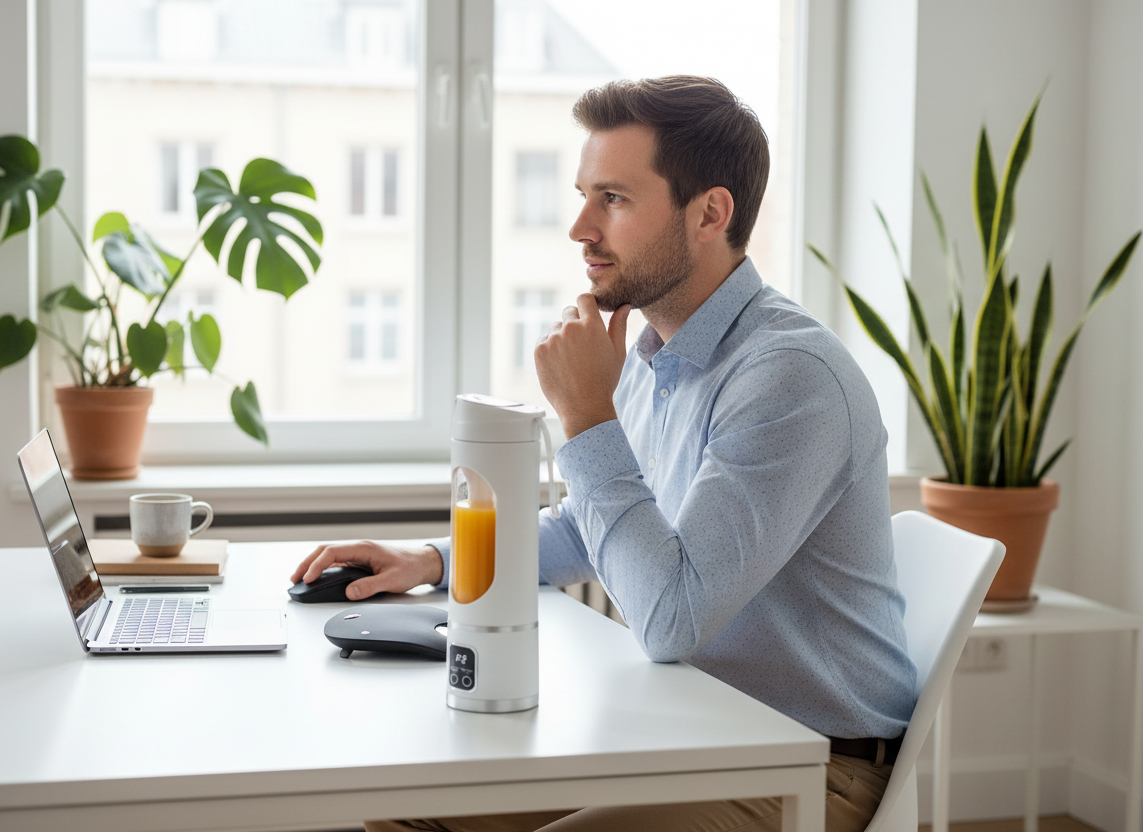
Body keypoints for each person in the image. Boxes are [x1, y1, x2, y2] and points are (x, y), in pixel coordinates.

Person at [292, 76, 917, 832]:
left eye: (613, 199)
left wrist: (587, 416)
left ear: (709, 213)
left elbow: (672, 618)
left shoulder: (790, 379)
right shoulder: (659, 355)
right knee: (409, 805)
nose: (580, 227)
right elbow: (589, 527)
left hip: (806, 764)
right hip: (686, 730)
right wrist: (432, 559)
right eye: (584, 194)